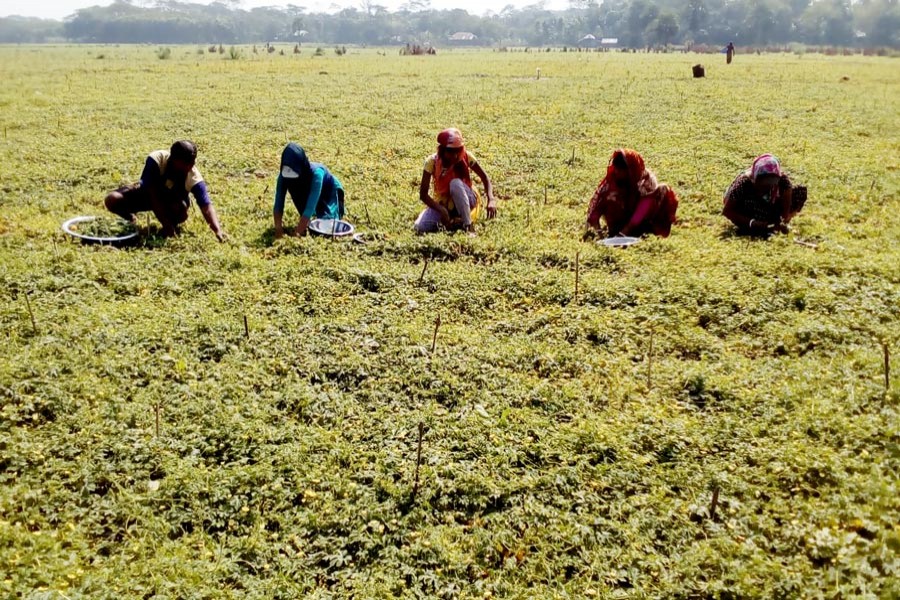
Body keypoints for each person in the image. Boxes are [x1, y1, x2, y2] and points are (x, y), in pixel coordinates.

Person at [104, 140, 225, 241]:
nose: (189, 167)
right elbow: (150, 190)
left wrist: (217, 230)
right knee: (112, 199)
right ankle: (130, 218)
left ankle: (172, 223)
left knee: (181, 210)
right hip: (148, 195)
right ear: (173, 159)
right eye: (185, 163)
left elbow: (206, 206)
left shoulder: (193, 176)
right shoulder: (158, 159)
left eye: (192, 163)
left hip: (172, 202)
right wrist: (166, 224)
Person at [415, 128, 497, 234]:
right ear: (442, 150)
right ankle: (455, 221)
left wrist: (491, 199)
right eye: (450, 152)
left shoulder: (467, 156)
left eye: (457, 151)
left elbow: (485, 177)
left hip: (467, 198)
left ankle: (468, 226)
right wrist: (441, 210)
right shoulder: (432, 162)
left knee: (455, 183)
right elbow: (423, 194)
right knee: (420, 227)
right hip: (444, 203)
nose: (455, 156)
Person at [585, 149, 678, 238]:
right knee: (610, 196)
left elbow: (642, 210)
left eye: (621, 171)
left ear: (630, 171)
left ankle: (650, 231)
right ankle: (616, 230)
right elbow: (595, 209)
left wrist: (625, 232)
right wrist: (599, 234)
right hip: (619, 221)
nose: (617, 173)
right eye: (616, 170)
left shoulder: (646, 180)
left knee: (663, 190)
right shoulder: (611, 181)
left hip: (642, 220)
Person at [273, 142, 345, 238]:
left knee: (327, 225)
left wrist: (297, 233)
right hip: (304, 189)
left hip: (328, 191)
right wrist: (278, 229)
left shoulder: (316, 174)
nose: (291, 178)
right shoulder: (283, 176)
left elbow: (311, 203)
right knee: (310, 222)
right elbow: (279, 201)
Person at [723, 154, 806, 235]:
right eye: (763, 185)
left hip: (768, 208)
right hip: (749, 211)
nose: (767, 188)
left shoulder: (783, 181)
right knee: (753, 206)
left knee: (800, 192)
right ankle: (757, 227)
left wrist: (782, 222)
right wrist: (753, 223)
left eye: (771, 184)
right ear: (756, 179)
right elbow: (727, 211)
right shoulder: (744, 182)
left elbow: (785, 211)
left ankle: (770, 224)